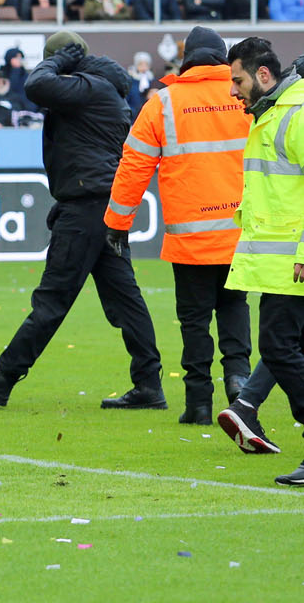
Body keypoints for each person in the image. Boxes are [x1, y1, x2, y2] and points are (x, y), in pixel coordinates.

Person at [0, 32, 165, 409]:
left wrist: (56, 61)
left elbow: (36, 84)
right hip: (101, 204)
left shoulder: (87, 87)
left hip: (86, 207)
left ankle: (4, 376)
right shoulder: (103, 88)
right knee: (125, 299)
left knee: (53, 297)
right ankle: (149, 385)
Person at [105, 27, 251, 426]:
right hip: (239, 233)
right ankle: (239, 382)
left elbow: (134, 166)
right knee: (235, 308)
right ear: (223, 60)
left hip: (191, 239)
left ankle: (199, 403)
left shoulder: (164, 104)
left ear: (187, 59)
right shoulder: (244, 96)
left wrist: (117, 224)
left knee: (194, 320)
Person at [222, 38, 304, 480]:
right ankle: (248, 406)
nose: (233, 91)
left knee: (277, 345)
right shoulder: (274, 113)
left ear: (264, 75)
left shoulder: (295, 113)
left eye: (237, 80)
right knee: (288, 346)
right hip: (280, 257)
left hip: (291, 260)